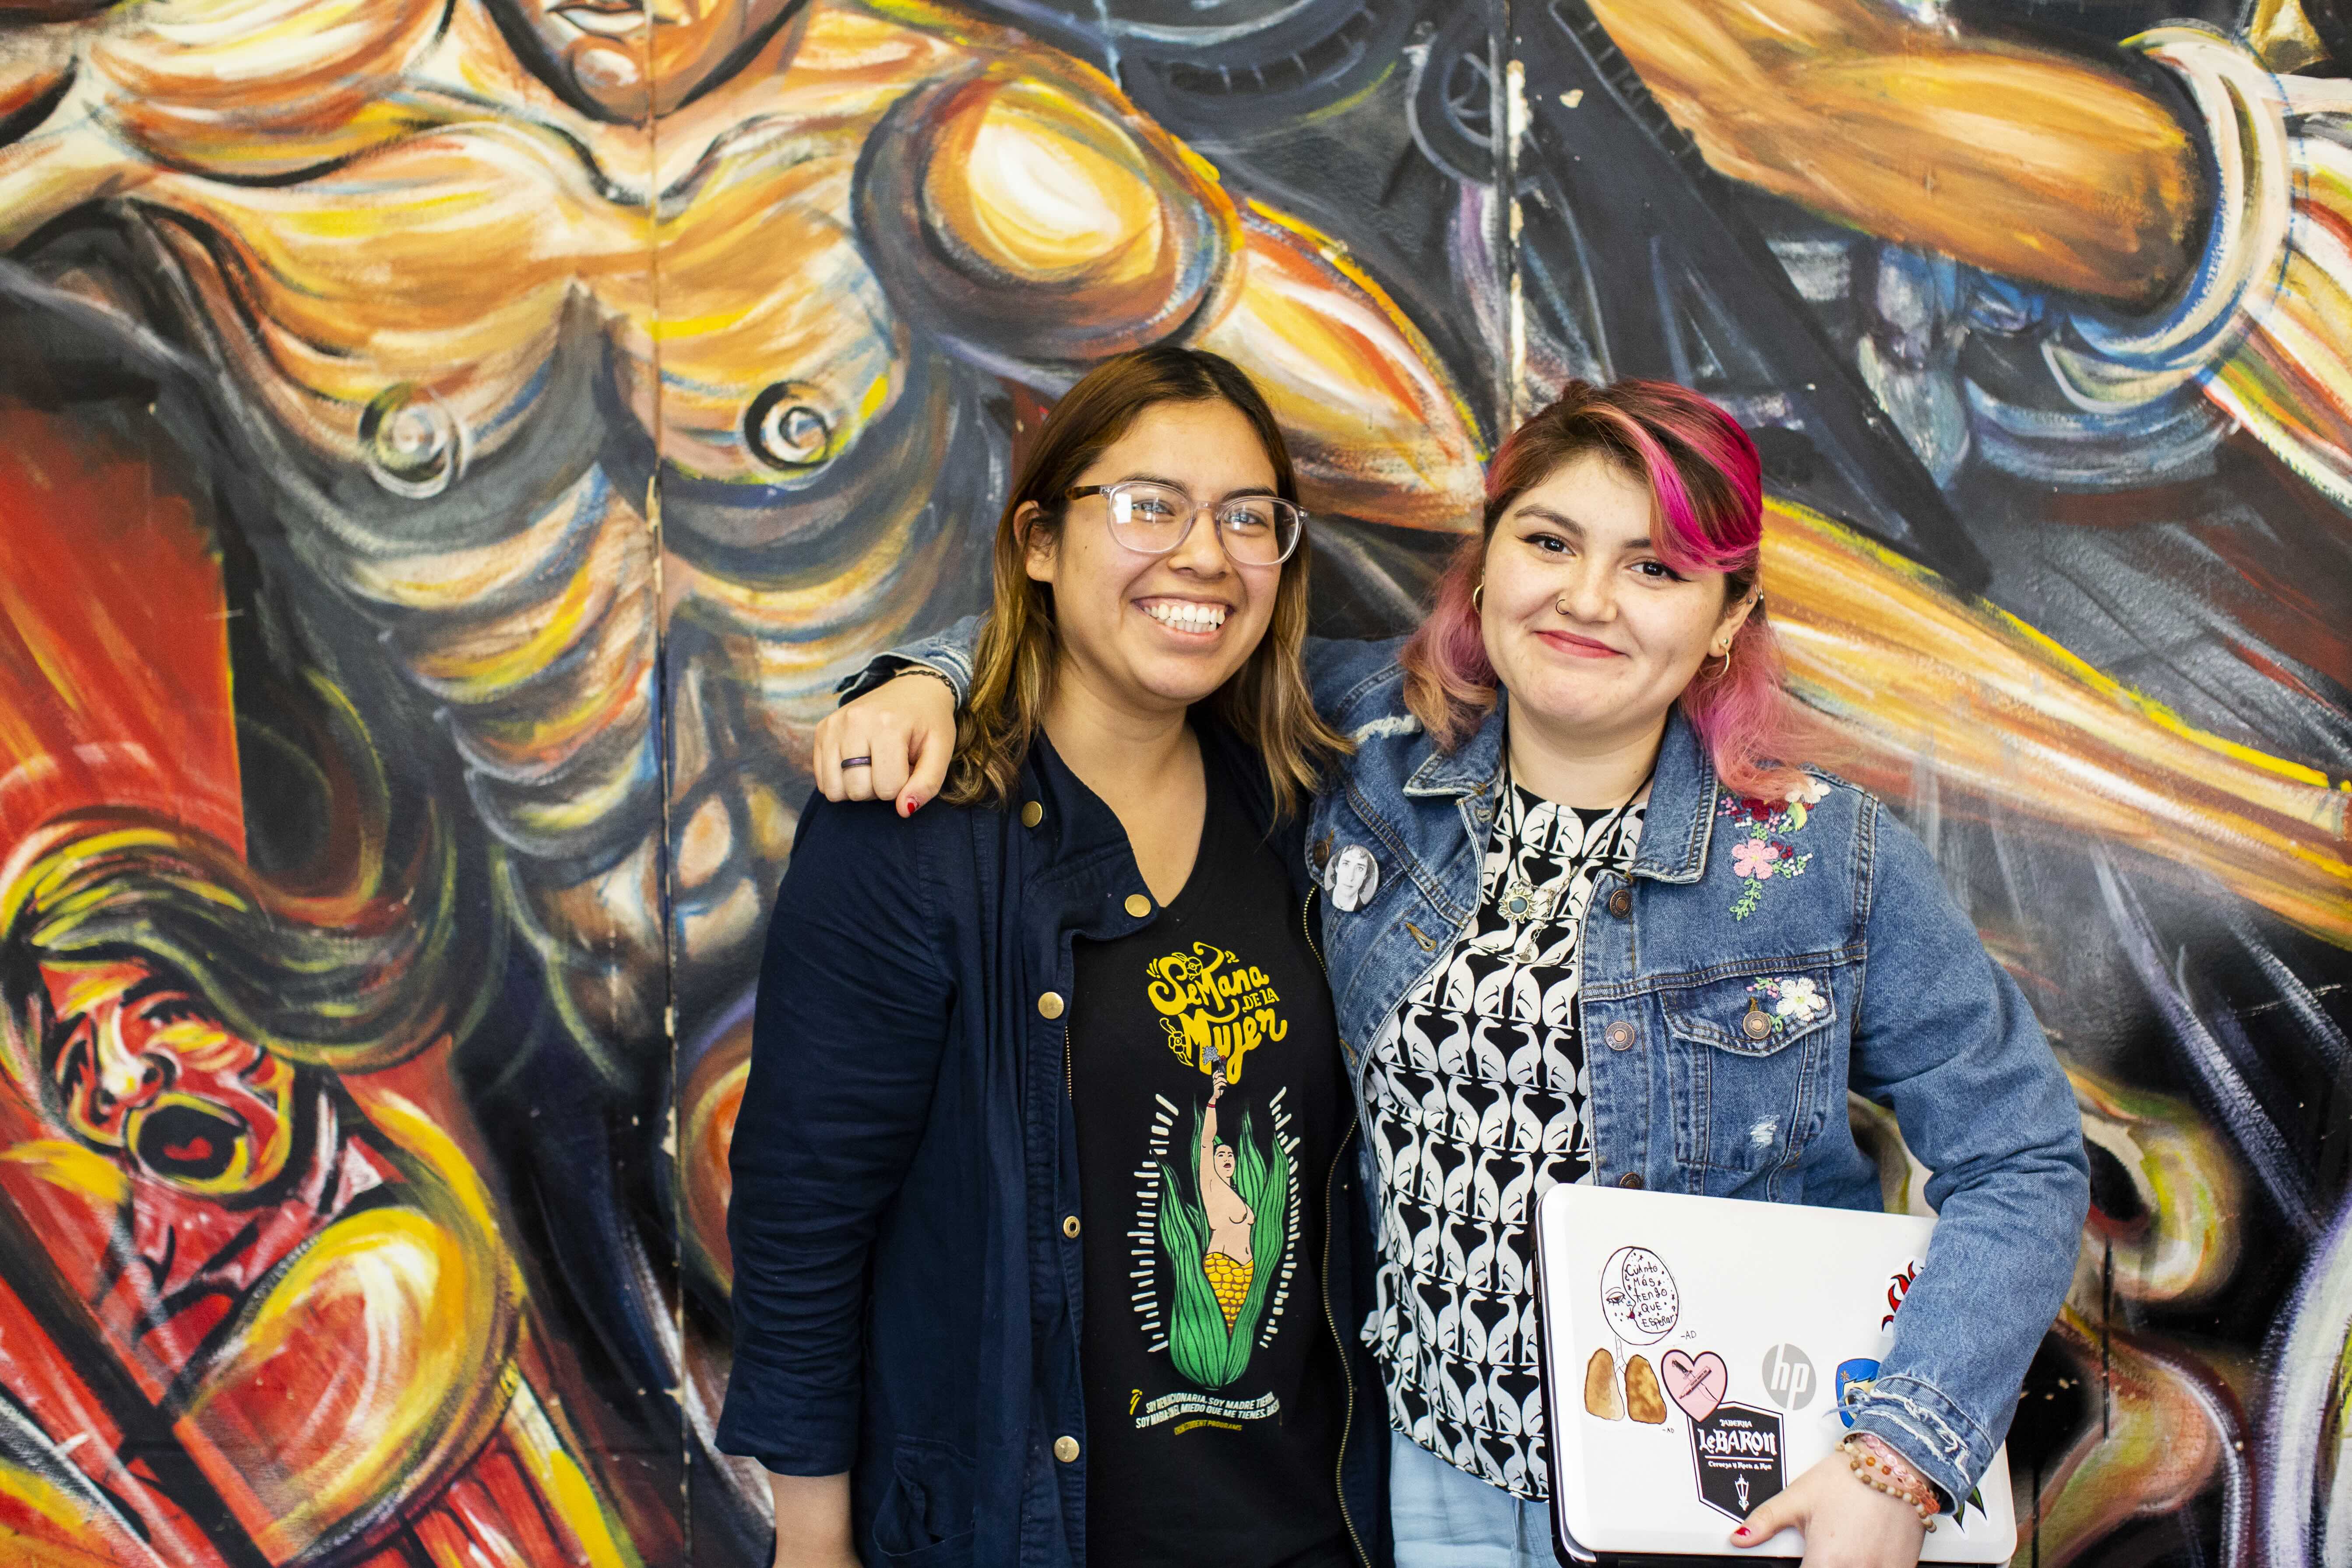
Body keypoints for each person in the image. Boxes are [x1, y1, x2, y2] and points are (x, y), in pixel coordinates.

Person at [813, 377, 2091, 1568]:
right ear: (1482, 573)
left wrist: (1899, 1459)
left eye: (1654, 568)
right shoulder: (1370, 749)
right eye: (1548, 543)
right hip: (1429, 1496)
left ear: (1725, 621)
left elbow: (2023, 1158)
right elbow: (1128, 618)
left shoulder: (1822, 853)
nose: (1588, 599)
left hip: (1728, 1493)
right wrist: (920, 680)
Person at [716, 345, 1390, 1568]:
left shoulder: (1312, 804)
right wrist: (812, 1542)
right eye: (1147, 506)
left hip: (1307, 1538)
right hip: (1032, 1533)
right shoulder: (915, 831)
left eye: (1248, 517)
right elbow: (805, 1208)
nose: (1203, 554)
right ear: (1038, 542)